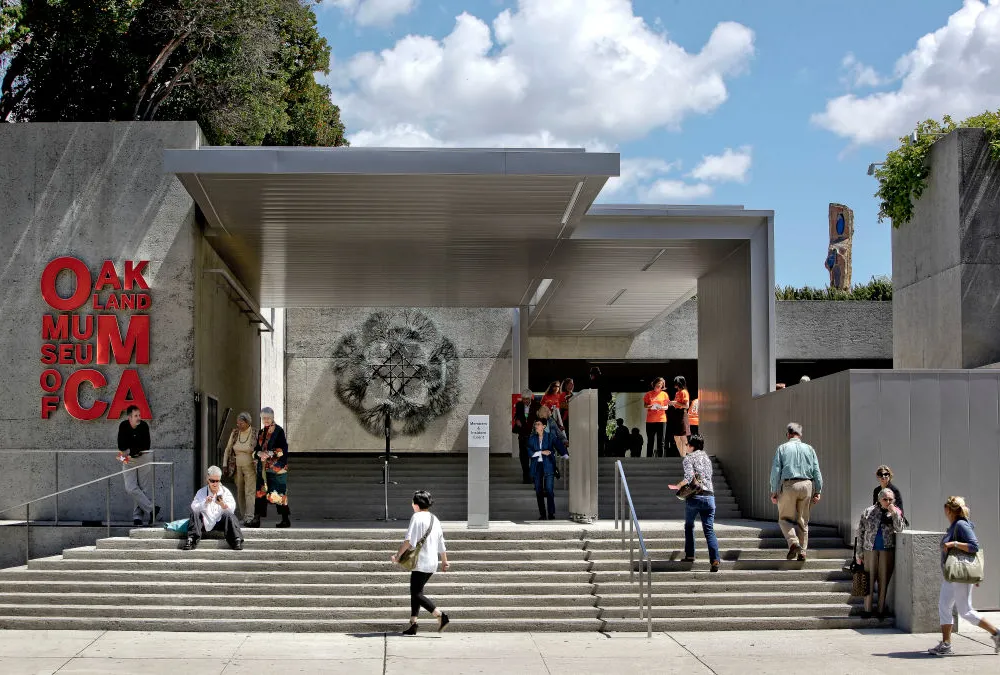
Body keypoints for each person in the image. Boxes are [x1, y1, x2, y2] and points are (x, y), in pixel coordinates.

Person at [927, 496, 1000, 656]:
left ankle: (997, 633)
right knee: (944, 607)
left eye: (945, 508)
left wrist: (953, 544)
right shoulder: (954, 526)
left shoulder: (961, 525)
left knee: (965, 610)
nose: (944, 511)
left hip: (959, 575)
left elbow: (974, 546)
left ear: (949, 509)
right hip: (952, 575)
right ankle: (946, 644)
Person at [392, 490, 450, 635]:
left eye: (413, 502)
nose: (412, 504)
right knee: (417, 591)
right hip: (432, 563)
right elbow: (441, 542)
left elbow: (409, 540)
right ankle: (413, 624)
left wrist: (398, 555)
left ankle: (440, 615)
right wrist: (444, 561)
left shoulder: (416, 517)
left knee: (416, 593)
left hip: (420, 561)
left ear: (416, 504)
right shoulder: (434, 518)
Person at [769, 422, 823, 561]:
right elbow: (816, 470)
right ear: (800, 434)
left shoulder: (782, 448)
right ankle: (803, 552)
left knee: (784, 519)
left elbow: (776, 471)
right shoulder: (809, 449)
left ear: (788, 434)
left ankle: (793, 542)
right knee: (803, 521)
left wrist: (774, 490)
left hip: (789, 485)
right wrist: (818, 490)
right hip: (807, 485)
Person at [855, 487, 904, 618]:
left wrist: (894, 514)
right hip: (869, 550)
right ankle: (867, 609)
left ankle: (881, 610)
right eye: (885, 499)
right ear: (879, 499)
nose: (888, 501)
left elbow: (900, 529)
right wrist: (858, 554)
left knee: (883, 581)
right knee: (868, 580)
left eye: (890, 499)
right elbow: (860, 532)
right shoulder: (868, 511)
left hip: (886, 551)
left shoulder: (895, 512)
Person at [677, 435, 720, 572]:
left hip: (695, 497)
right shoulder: (707, 458)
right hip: (709, 497)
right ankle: (715, 560)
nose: (686, 446)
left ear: (692, 446)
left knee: (689, 525)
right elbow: (708, 477)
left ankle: (690, 555)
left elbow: (689, 478)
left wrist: (679, 485)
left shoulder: (688, 459)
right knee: (709, 530)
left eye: (688, 444)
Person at [184, 466, 243, 551]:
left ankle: (236, 540)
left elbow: (232, 510)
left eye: (217, 481)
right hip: (205, 522)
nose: (215, 484)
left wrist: (223, 505)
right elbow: (194, 507)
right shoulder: (201, 492)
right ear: (208, 479)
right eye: (212, 481)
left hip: (220, 522)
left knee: (229, 515)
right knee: (195, 514)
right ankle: (191, 540)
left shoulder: (225, 492)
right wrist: (205, 503)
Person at [116, 404, 158, 527]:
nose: (139, 418)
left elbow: (146, 445)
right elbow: (121, 446)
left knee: (143, 488)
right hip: (128, 458)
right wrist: (132, 449)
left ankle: (137, 518)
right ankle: (152, 509)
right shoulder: (123, 426)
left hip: (143, 457)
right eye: (136, 416)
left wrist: (133, 448)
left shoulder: (144, 426)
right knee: (130, 487)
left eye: (139, 415)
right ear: (129, 417)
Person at [251, 406, 290, 528]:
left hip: (277, 469)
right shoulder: (261, 432)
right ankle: (256, 519)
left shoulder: (279, 431)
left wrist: (269, 453)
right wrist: (259, 454)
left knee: (278, 493)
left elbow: (283, 450)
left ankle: (285, 519)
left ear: (272, 418)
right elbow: (256, 449)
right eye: (264, 418)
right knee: (260, 493)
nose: (266, 420)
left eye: (268, 418)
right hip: (262, 469)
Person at [527, 418, 568, 520]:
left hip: (548, 465)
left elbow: (559, 445)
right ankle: (542, 514)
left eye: (538, 424)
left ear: (544, 426)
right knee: (538, 491)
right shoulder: (532, 438)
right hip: (537, 467)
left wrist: (566, 455)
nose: (536, 426)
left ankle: (551, 513)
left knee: (549, 490)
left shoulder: (550, 436)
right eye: (535, 424)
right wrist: (541, 452)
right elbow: (529, 451)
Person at [223, 411, 257, 524]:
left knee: (250, 491)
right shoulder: (235, 433)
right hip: (237, 467)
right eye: (238, 423)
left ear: (247, 423)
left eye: (241, 423)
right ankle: (244, 516)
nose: (239, 425)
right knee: (240, 491)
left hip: (250, 466)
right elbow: (228, 449)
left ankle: (250, 517)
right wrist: (224, 465)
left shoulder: (255, 433)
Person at [512, 389, 540, 484]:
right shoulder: (519, 405)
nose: (525, 401)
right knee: (523, 456)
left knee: (533, 456)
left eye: (527, 399)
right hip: (523, 434)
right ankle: (526, 476)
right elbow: (516, 416)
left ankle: (532, 475)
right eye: (523, 399)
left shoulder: (537, 405)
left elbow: (540, 418)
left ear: (530, 398)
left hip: (533, 435)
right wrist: (517, 420)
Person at [643, 377, 669, 458]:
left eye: (661, 385)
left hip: (661, 420)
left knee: (661, 441)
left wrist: (661, 407)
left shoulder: (664, 394)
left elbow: (666, 407)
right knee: (650, 440)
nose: (659, 386)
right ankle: (649, 458)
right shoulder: (648, 394)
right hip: (650, 420)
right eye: (658, 384)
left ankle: (660, 459)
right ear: (654, 384)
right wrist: (651, 406)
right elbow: (645, 405)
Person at [668, 376, 691, 455]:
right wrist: (671, 403)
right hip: (676, 414)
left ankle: (685, 456)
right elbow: (676, 404)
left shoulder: (684, 392)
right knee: (676, 437)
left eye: (676, 383)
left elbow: (686, 405)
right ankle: (682, 455)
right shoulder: (677, 392)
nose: (675, 385)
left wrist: (675, 403)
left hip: (682, 414)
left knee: (683, 436)